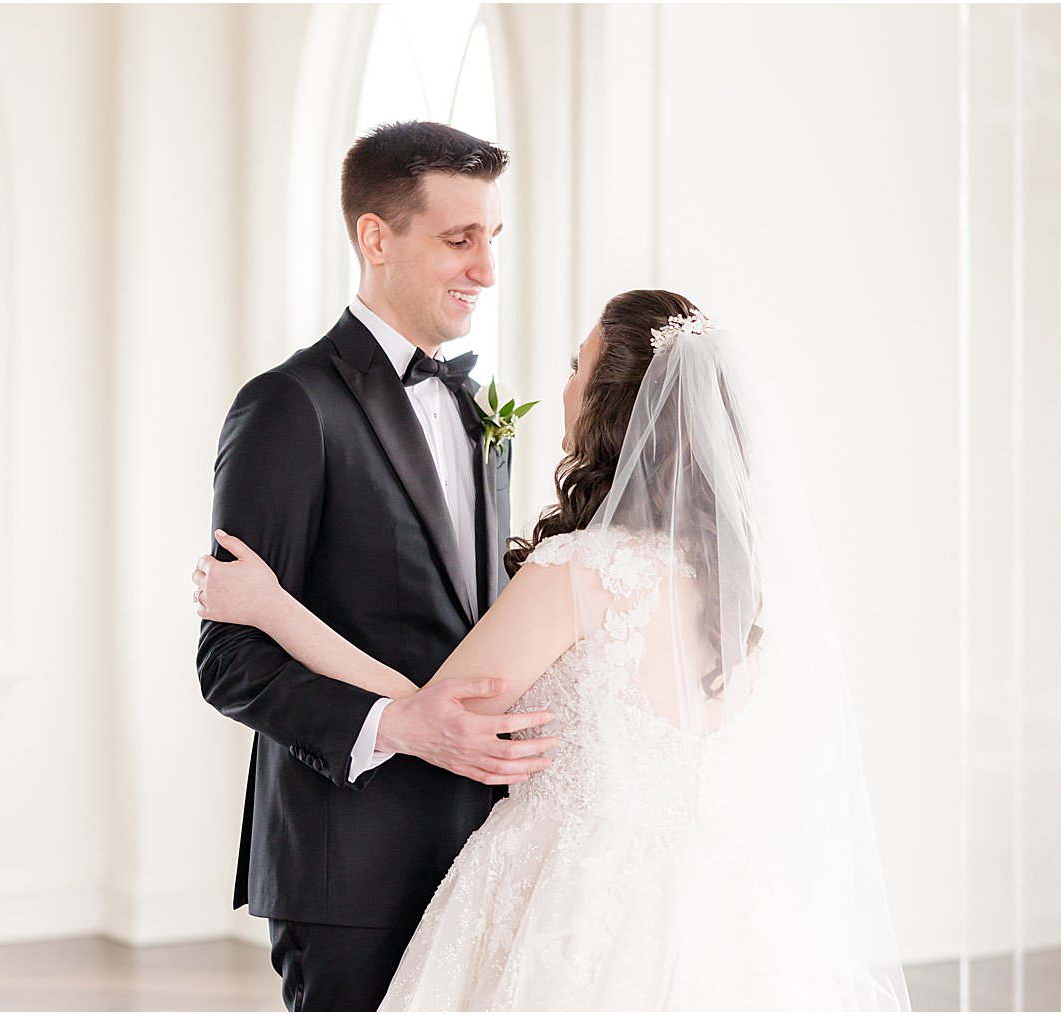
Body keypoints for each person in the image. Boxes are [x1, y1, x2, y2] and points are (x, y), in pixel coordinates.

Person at [196, 289, 914, 1010]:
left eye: (579, 365)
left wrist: (272, 607)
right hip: (708, 901)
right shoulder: (731, 587)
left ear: (612, 405)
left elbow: (435, 704)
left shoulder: (583, 568)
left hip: (569, 894)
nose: (564, 383)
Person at [195, 121, 557, 1013]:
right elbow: (229, 662)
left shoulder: (479, 411)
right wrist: (399, 723)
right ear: (375, 237)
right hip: (345, 866)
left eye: (492, 239)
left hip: (478, 851)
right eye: (459, 239)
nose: (486, 269)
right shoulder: (287, 405)